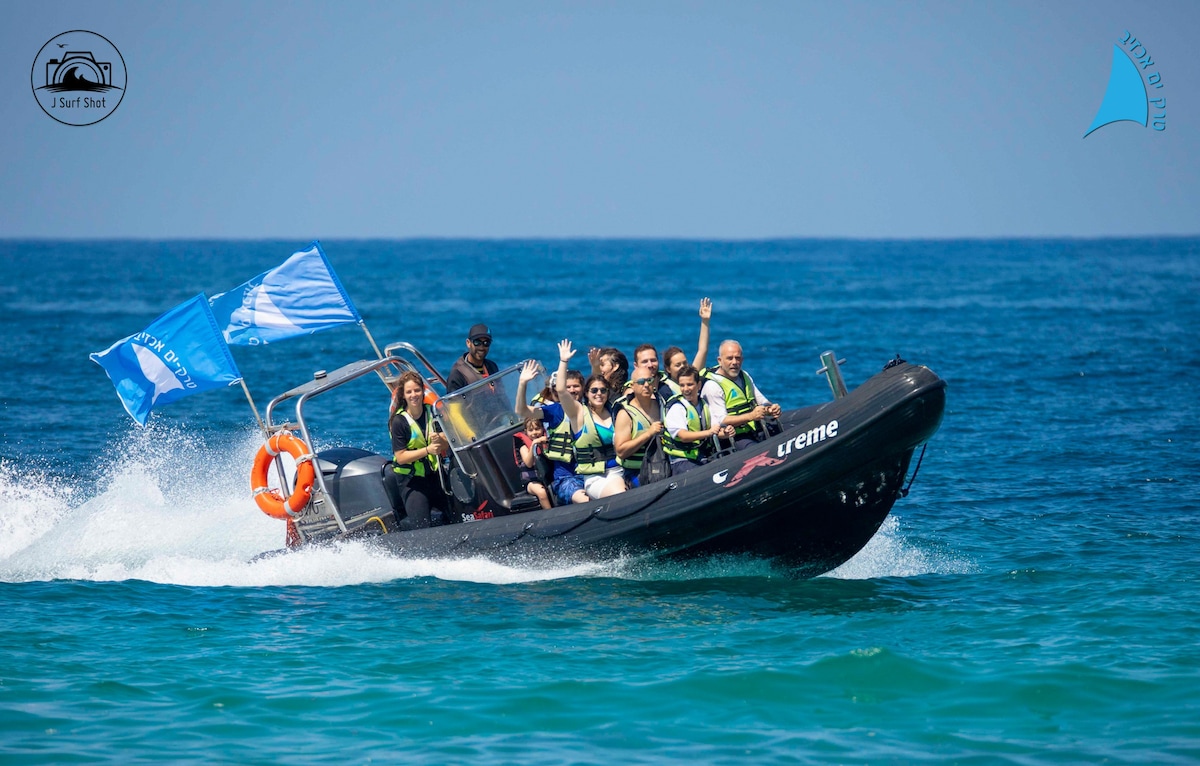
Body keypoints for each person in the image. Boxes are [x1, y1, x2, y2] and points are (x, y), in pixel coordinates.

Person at [515, 360, 589, 506]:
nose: (573, 390)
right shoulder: (555, 411)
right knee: (587, 501)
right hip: (566, 478)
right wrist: (523, 383)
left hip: (592, 474)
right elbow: (521, 410)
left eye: (576, 386)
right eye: (568, 387)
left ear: (583, 389)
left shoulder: (592, 410)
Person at [558, 340, 626, 499]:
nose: (599, 393)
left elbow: (598, 378)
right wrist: (564, 361)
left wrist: (595, 365)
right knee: (620, 493)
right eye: (594, 390)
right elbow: (561, 390)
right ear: (586, 393)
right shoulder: (578, 413)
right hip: (597, 478)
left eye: (603, 390)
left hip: (621, 470)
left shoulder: (614, 410)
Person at [390, 370, 451, 528]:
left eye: (417, 390)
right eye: (409, 392)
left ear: (423, 391)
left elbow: (448, 442)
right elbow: (401, 456)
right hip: (412, 482)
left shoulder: (433, 413)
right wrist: (428, 450)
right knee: (422, 525)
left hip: (435, 476)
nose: (414, 395)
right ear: (403, 395)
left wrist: (440, 441)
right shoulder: (399, 422)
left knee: (456, 512)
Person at [701, 340, 782, 451]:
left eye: (737, 358)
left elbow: (761, 400)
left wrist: (770, 408)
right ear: (720, 361)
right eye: (730, 358)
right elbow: (722, 420)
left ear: (742, 360)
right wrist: (751, 416)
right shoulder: (712, 386)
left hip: (754, 429)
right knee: (757, 450)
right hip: (733, 437)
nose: (734, 362)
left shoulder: (745, 376)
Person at [663, 365, 735, 473]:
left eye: (690, 384)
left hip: (701, 456)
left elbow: (715, 429)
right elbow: (683, 436)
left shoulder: (704, 405)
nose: (686, 389)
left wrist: (725, 433)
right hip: (681, 461)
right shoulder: (677, 408)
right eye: (682, 385)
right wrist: (708, 432)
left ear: (699, 385)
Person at [614, 369, 664, 486]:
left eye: (649, 380)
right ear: (633, 385)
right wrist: (648, 434)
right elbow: (621, 451)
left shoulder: (661, 404)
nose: (646, 385)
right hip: (636, 471)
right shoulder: (625, 414)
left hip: (661, 465)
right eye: (641, 382)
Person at [663, 295, 715, 383]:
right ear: (668, 369)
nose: (682, 367)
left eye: (684, 363)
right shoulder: (664, 389)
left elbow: (703, 350)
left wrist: (705, 321)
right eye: (678, 365)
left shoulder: (691, 378)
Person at [446, 323, 499, 392]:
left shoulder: (492, 367)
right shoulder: (457, 374)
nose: (481, 347)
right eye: (477, 342)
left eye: (486, 343)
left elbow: (502, 397)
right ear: (468, 343)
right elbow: (454, 402)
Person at [514, 417, 552, 510]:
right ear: (526, 431)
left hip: (548, 477)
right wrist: (534, 445)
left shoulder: (547, 440)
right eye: (531, 430)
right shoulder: (523, 446)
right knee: (541, 492)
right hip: (532, 482)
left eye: (537, 429)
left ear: (542, 429)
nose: (534, 432)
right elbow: (528, 463)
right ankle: (551, 514)